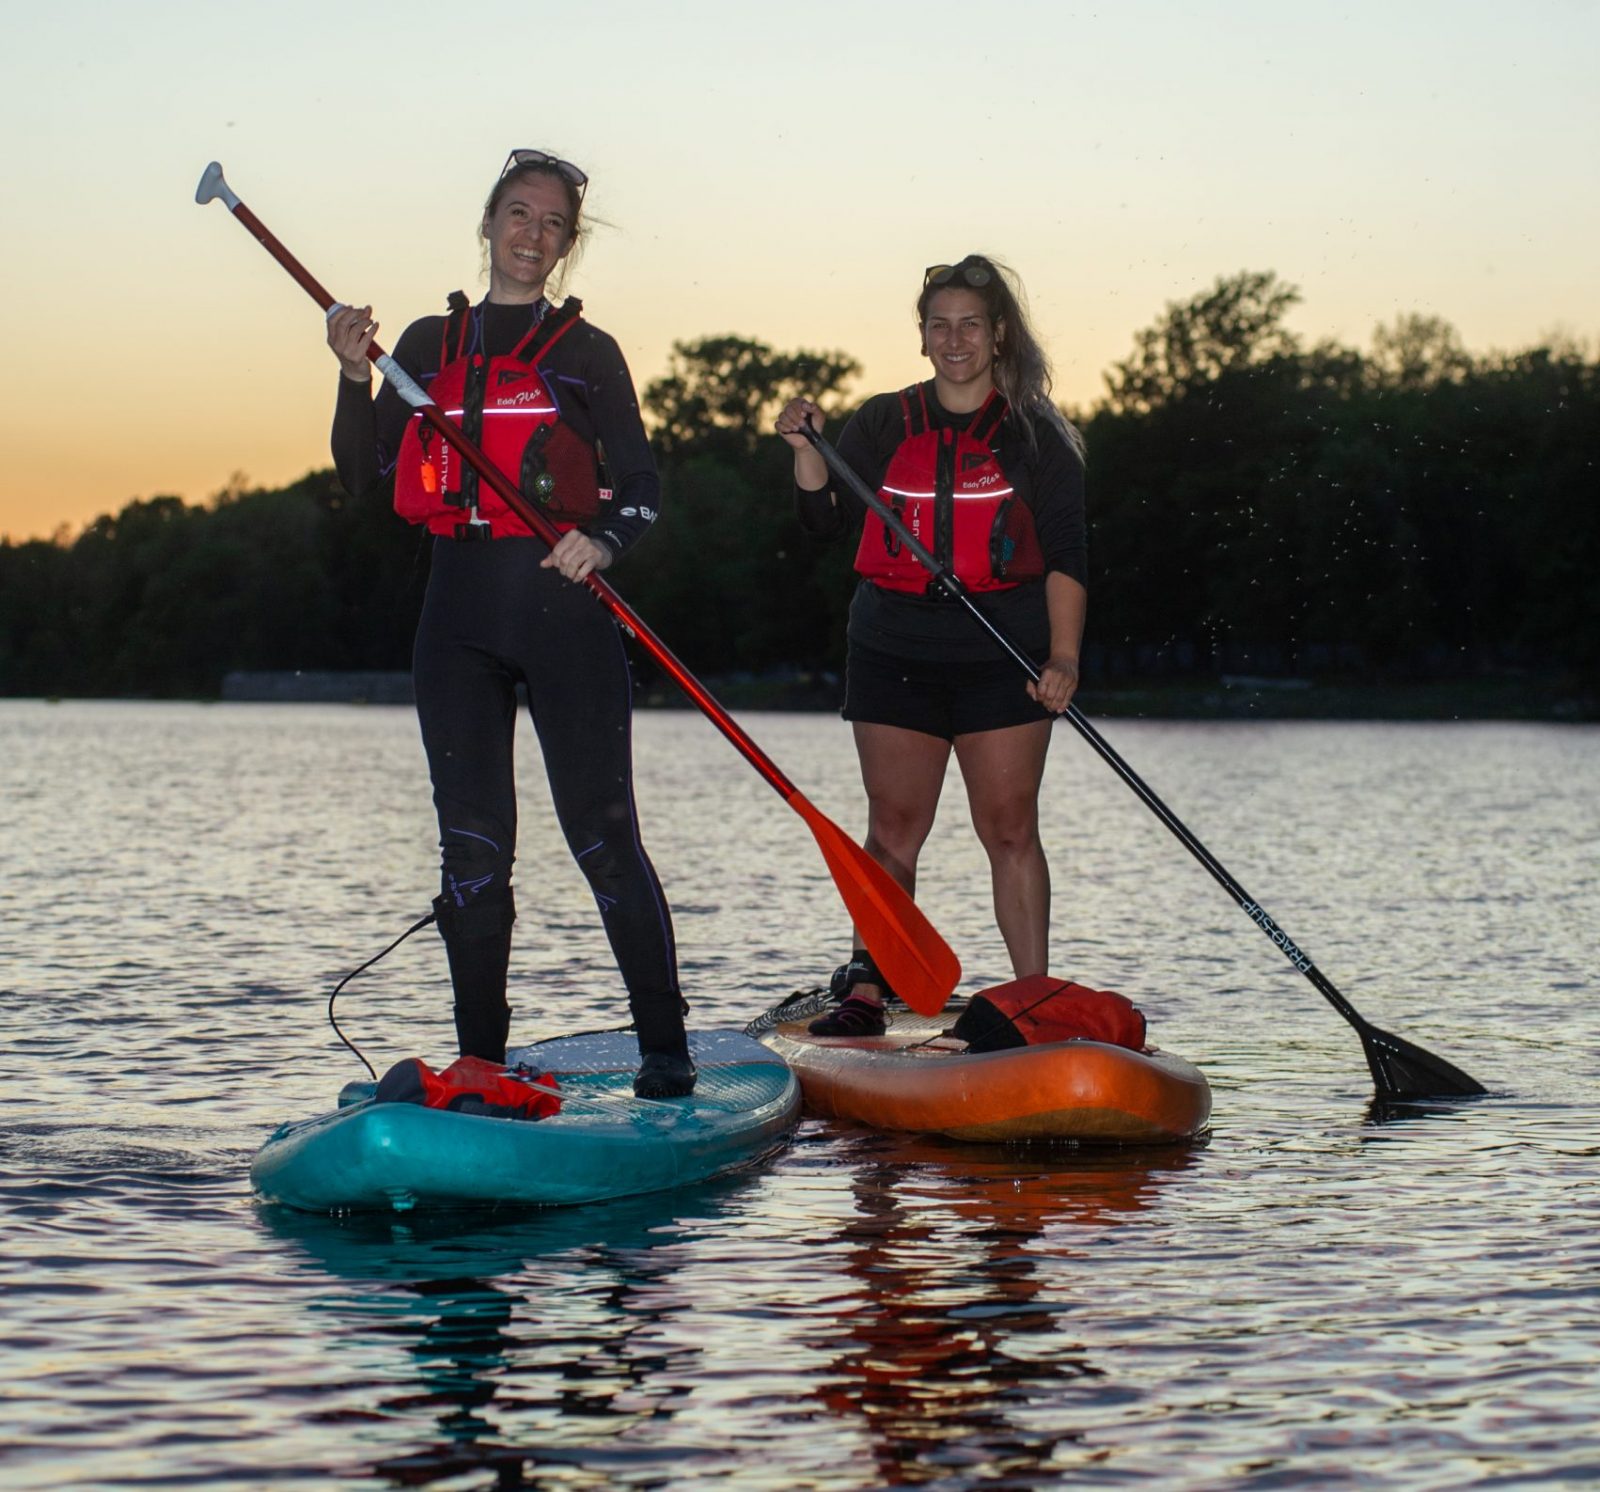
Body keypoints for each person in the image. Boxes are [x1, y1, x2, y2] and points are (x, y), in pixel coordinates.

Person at [326, 148, 693, 1097]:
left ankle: (666, 1054)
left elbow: (644, 488)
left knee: (605, 838)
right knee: (473, 852)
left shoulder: (586, 354)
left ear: (566, 247)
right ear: (489, 223)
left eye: (553, 225)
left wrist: (603, 542)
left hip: (564, 615)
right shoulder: (422, 344)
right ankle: (482, 1065)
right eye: (519, 216)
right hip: (456, 623)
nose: (533, 236)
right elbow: (360, 476)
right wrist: (353, 376)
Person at [775, 254, 1087, 1036]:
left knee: (1011, 829)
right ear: (921, 338)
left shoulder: (1035, 436)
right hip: (894, 650)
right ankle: (868, 990)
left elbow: (1067, 559)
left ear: (998, 335)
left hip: (1002, 659)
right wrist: (807, 451)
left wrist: (1065, 658)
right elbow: (822, 525)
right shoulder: (882, 422)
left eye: (970, 325)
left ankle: (1034, 1000)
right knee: (893, 831)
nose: (954, 339)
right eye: (939, 325)